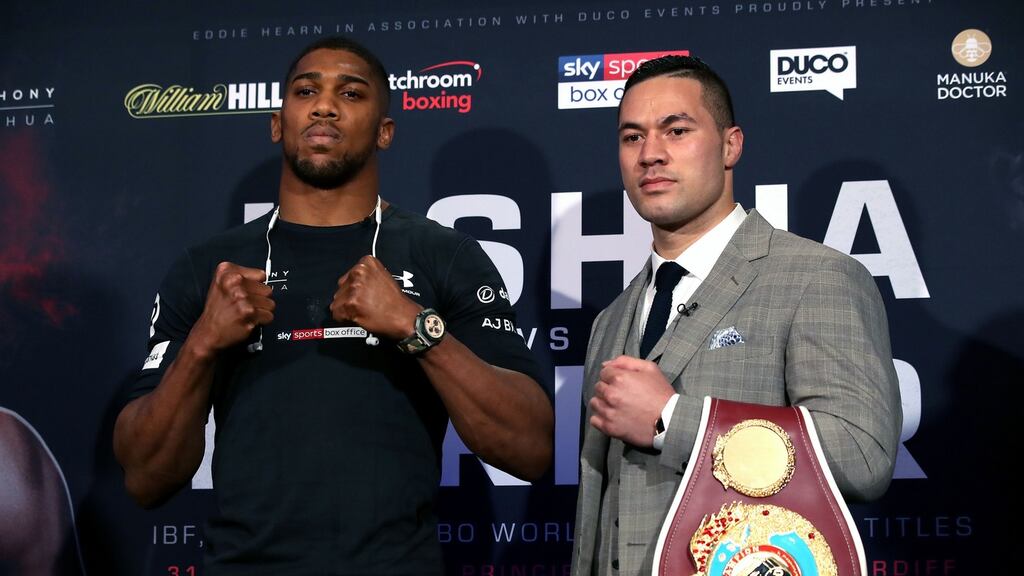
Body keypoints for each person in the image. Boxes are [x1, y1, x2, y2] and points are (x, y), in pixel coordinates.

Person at [113, 36, 552, 575]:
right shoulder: (210, 269)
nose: (324, 106)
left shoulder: (444, 256)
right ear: (277, 123)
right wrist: (202, 343)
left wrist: (415, 327)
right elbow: (145, 478)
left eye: (350, 93)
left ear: (385, 131)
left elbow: (531, 448)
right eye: (305, 91)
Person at [570, 55, 901, 576]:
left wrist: (672, 420)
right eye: (632, 137)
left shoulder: (816, 277)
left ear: (731, 146)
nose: (650, 154)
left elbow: (862, 456)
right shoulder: (610, 320)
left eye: (676, 130)